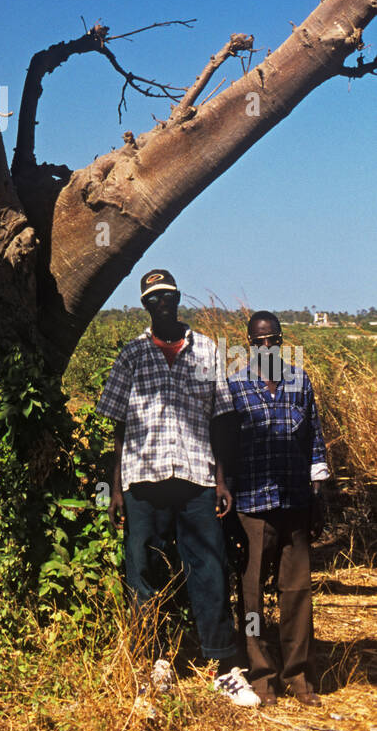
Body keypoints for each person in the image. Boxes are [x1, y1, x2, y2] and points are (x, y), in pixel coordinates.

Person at [97, 269, 261, 707]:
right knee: (144, 569)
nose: (161, 304)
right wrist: (115, 489)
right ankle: (156, 663)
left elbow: (221, 418)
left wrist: (222, 480)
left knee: (208, 569)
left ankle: (223, 668)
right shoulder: (131, 354)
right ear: (145, 305)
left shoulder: (207, 349)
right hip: (142, 479)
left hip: (196, 476)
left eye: (167, 296)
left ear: (177, 298)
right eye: (153, 299)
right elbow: (117, 424)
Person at [227, 312, 330, 706]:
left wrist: (318, 492)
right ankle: (261, 674)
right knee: (251, 595)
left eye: (273, 340)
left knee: (297, 592)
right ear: (249, 344)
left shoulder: (298, 380)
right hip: (253, 506)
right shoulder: (235, 385)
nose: (267, 347)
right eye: (259, 341)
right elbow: (227, 449)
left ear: (282, 341)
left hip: (295, 502)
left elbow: (314, 439)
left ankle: (299, 675)